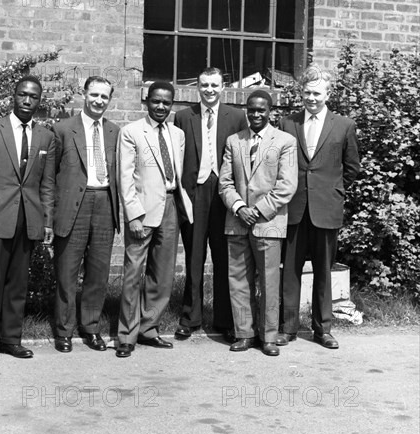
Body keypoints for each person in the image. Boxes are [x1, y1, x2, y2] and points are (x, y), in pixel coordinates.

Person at [0, 75, 55, 369]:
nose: (27, 100)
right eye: (22, 95)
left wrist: (46, 220)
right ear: (13, 96)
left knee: (19, 283)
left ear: (39, 101)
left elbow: (46, 184)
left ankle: (10, 339)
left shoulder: (45, 137)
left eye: (33, 96)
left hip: (29, 218)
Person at [278, 64, 360, 349]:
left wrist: (331, 191)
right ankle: (287, 327)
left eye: (317, 93)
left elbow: (351, 168)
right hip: (294, 206)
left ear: (328, 94)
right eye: (307, 92)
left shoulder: (344, 125)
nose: (311, 98)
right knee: (290, 268)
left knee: (324, 270)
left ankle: (322, 329)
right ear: (301, 93)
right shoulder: (289, 123)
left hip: (326, 207)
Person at [116, 81, 193, 358]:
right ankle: (127, 335)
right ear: (146, 102)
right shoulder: (131, 132)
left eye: (166, 102)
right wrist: (133, 215)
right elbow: (125, 177)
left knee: (162, 274)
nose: (161, 106)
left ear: (172, 105)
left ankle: (149, 329)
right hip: (142, 210)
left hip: (171, 205)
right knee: (133, 272)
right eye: (156, 101)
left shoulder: (178, 134)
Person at [219, 90, 298, 356]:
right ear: (246, 110)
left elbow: (287, 186)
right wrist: (240, 207)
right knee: (239, 280)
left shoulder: (285, 141)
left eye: (261, 110)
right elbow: (225, 183)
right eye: (251, 109)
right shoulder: (234, 141)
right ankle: (244, 333)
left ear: (270, 111)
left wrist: (259, 210)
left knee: (268, 281)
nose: (255, 114)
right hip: (237, 221)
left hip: (269, 222)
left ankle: (269, 336)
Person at [174, 67, 248, 341]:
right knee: (194, 256)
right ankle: (190, 317)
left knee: (224, 258)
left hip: (224, 195)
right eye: (204, 85)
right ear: (197, 86)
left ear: (223, 86)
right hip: (194, 193)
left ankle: (225, 320)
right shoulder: (184, 117)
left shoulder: (237, 117)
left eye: (214, 85)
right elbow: (177, 157)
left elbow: (242, 158)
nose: (209, 90)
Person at [52, 76, 120, 353]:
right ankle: (64, 331)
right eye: (94, 95)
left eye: (104, 97)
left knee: (98, 271)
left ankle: (91, 327)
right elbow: (50, 176)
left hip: (104, 202)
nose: (98, 101)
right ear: (84, 94)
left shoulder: (115, 131)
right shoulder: (63, 130)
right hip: (73, 206)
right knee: (67, 271)